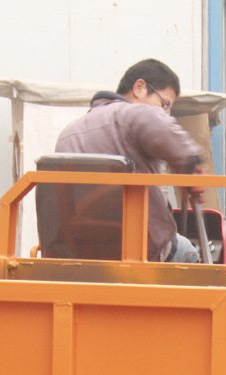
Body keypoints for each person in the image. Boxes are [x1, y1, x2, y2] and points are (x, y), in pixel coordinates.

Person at [55, 59, 204, 263]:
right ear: (140, 88)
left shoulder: (68, 133)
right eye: (164, 104)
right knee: (187, 250)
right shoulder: (135, 113)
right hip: (137, 246)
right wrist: (190, 171)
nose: (163, 112)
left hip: (78, 248)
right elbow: (180, 149)